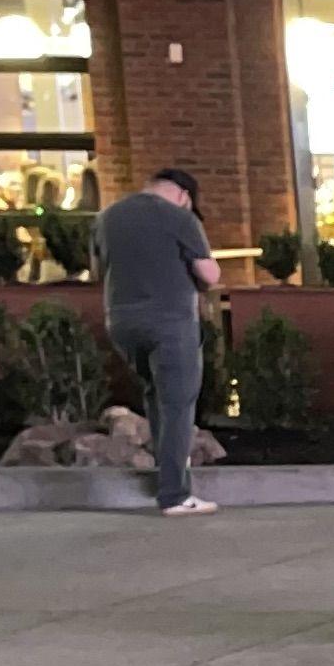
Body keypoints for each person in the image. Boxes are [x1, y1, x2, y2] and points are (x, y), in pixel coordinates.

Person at [90, 164, 222, 516]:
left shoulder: (106, 218)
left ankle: (166, 477)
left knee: (155, 394)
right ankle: (175, 495)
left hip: (122, 322)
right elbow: (209, 273)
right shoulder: (179, 217)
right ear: (184, 196)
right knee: (178, 405)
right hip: (170, 322)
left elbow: (98, 270)